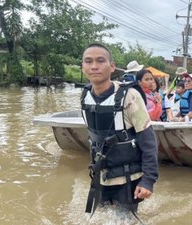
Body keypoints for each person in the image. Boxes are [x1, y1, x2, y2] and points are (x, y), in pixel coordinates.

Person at [80, 44, 158, 215]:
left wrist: (148, 181)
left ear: (112, 66)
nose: (94, 66)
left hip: (128, 179)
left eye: (100, 61)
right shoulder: (85, 96)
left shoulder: (130, 96)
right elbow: (93, 138)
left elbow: (149, 141)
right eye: (88, 61)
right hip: (101, 176)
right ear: (83, 66)